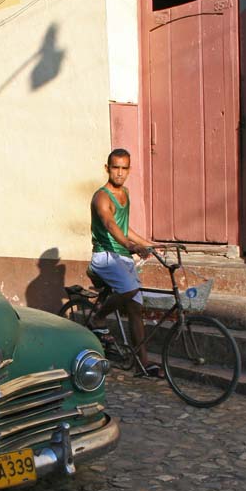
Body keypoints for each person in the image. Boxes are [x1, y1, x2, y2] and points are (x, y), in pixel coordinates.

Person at [87, 148, 160, 377]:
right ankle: (99, 317)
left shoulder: (125, 193)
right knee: (130, 290)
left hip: (123, 258)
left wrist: (148, 244)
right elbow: (110, 224)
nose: (119, 173)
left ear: (129, 169)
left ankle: (143, 364)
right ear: (107, 168)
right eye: (115, 167)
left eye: (124, 168)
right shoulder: (101, 196)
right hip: (105, 257)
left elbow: (124, 227)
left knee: (136, 310)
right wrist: (130, 245)